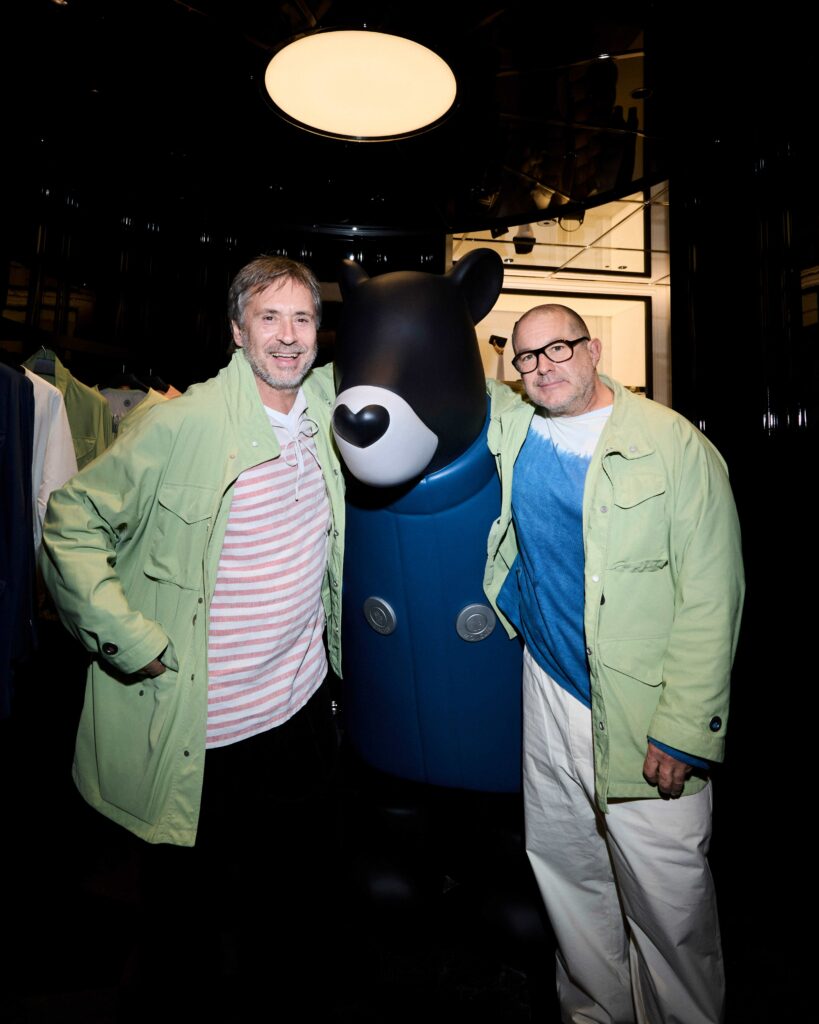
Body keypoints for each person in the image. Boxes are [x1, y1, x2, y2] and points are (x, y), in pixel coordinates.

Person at [40, 255, 345, 1015]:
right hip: (201, 730)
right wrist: (125, 636)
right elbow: (71, 519)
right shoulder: (180, 422)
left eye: (302, 317)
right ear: (238, 330)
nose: (287, 335)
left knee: (292, 917)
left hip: (301, 711)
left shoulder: (331, 408)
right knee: (186, 928)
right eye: (268, 317)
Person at [482, 304, 744, 1024]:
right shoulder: (515, 424)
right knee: (570, 880)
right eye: (527, 357)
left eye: (559, 348)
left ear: (593, 348)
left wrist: (684, 728)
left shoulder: (672, 444)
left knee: (668, 905)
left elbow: (712, 595)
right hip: (548, 687)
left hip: (642, 711)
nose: (543, 367)